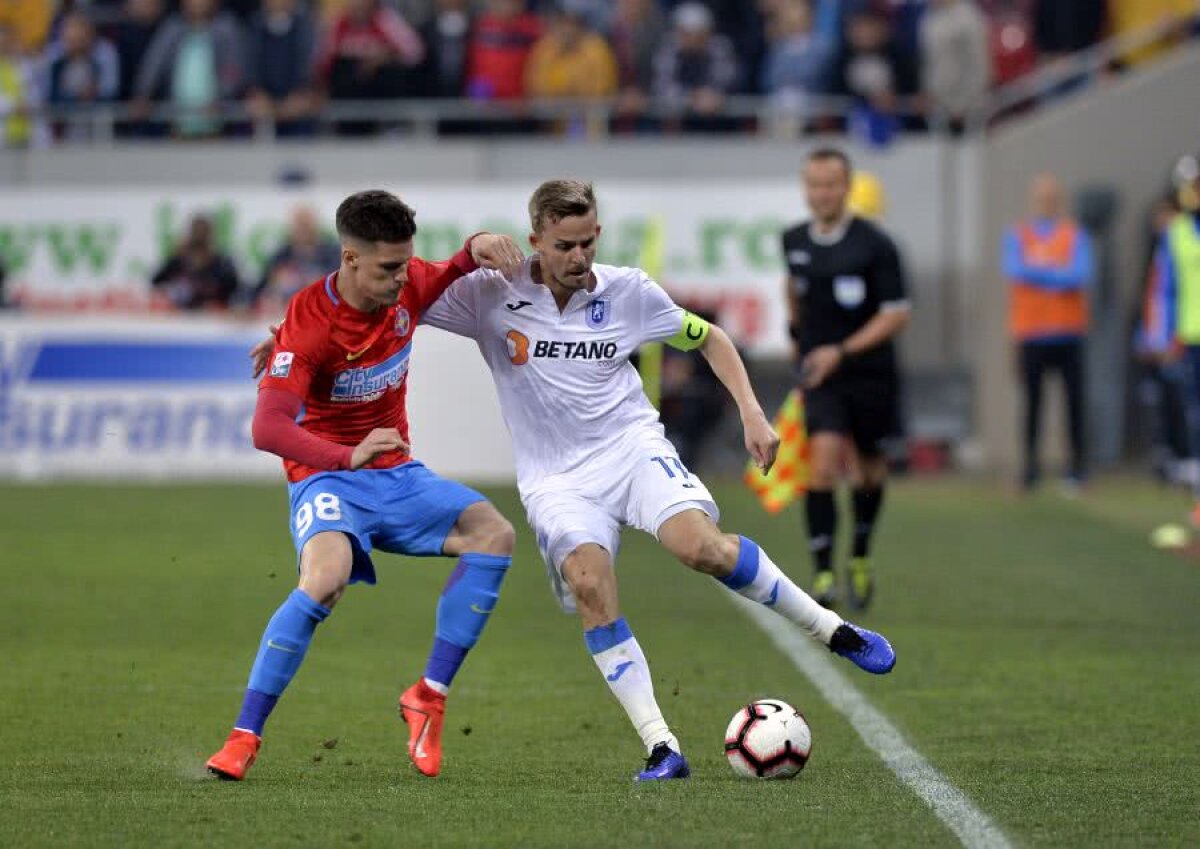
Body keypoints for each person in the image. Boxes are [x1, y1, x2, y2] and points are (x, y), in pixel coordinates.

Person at [418, 179, 896, 781]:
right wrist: (469, 249)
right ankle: (661, 746)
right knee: (591, 588)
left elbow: (710, 338)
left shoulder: (628, 292)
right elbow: (401, 290)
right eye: (565, 245)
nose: (580, 257)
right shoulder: (489, 296)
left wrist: (752, 412)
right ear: (535, 239)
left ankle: (836, 631)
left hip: (630, 449)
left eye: (589, 241)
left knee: (703, 548)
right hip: (555, 479)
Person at [208, 191, 525, 782]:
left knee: (494, 534)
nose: (401, 279)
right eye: (387, 268)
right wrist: (345, 454)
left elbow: (455, 264)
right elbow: (267, 427)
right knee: (325, 580)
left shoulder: (405, 285)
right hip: (327, 475)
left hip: (395, 473)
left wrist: (476, 244)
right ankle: (243, 737)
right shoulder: (308, 322)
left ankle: (427, 695)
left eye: (405, 264)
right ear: (349, 259)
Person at [781, 147, 911, 610]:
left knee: (870, 473)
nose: (822, 193)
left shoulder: (876, 245)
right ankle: (822, 573)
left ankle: (858, 554)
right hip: (824, 378)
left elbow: (896, 315)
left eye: (831, 184)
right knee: (823, 464)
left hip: (871, 374)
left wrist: (842, 350)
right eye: (814, 184)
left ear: (847, 186)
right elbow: (793, 288)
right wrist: (798, 338)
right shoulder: (793, 239)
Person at [1002, 172, 1093, 493]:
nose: (1047, 202)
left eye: (1052, 196)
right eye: (1042, 197)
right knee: (1032, 405)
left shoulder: (1074, 234)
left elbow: (1079, 275)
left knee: (1075, 405)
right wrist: (1056, 273)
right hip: (1031, 334)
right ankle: (1030, 469)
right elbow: (1015, 270)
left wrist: (1040, 273)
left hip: (1069, 333)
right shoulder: (1019, 235)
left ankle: (1077, 470)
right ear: (1034, 200)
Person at [253, 205, 341, 316]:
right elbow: (259, 289)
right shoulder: (280, 255)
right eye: (299, 226)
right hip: (283, 314)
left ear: (316, 227)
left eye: (306, 226)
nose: (303, 231)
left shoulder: (333, 255)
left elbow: (342, 286)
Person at [150, 214, 242, 310]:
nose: (199, 236)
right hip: (181, 315)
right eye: (196, 232)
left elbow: (235, 288)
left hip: (213, 317)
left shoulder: (222, 262)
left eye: (203, 232)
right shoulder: (178, 261)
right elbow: (156, 282)